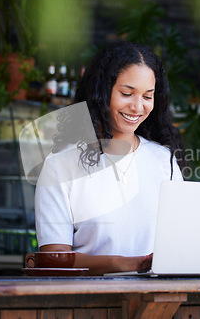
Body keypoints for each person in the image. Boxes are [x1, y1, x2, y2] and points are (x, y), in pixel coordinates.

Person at [34, 40, 185, 275]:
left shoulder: (163, 161)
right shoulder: (60, 165)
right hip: (90, 304)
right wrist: (123, 264)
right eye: (127, 93)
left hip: (158, 301)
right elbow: (53, 259)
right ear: (101, 94)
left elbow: (181, 243)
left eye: (148, 96)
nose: (137, 106)